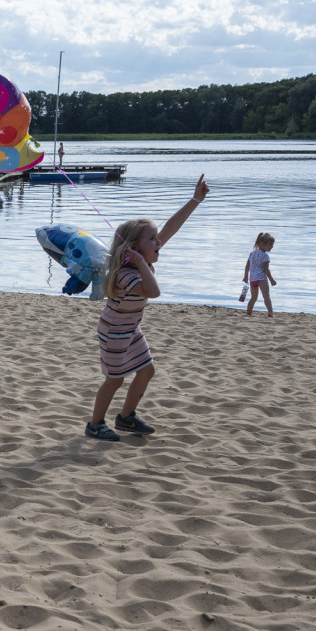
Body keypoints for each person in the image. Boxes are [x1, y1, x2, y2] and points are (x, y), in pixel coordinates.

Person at [86, 174, 210, 442]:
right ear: (134, 249)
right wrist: (142, 262)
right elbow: (154, 292)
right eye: (152, 240)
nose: (159, 243)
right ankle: (95, 424)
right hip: (114, 332)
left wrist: (195, 200)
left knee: (147, 369)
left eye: (156, 239)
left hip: (130, 329)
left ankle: (126, 417)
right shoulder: (125, 275)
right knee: (115, 379)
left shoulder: (139, 264)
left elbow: (170, 228)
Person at [243, 232, 276, 318]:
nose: (272, 246)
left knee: (253, 298)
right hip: (261, 278)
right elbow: (266, 269)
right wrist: (271, 279)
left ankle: (249, 313)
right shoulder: (265, 256)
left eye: (272, 244)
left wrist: (246, 276)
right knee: (266, 296)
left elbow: (247, 266)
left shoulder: (252, 254)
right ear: (262, 244)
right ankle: (270, 312)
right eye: (270, 244)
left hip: (253, 279)